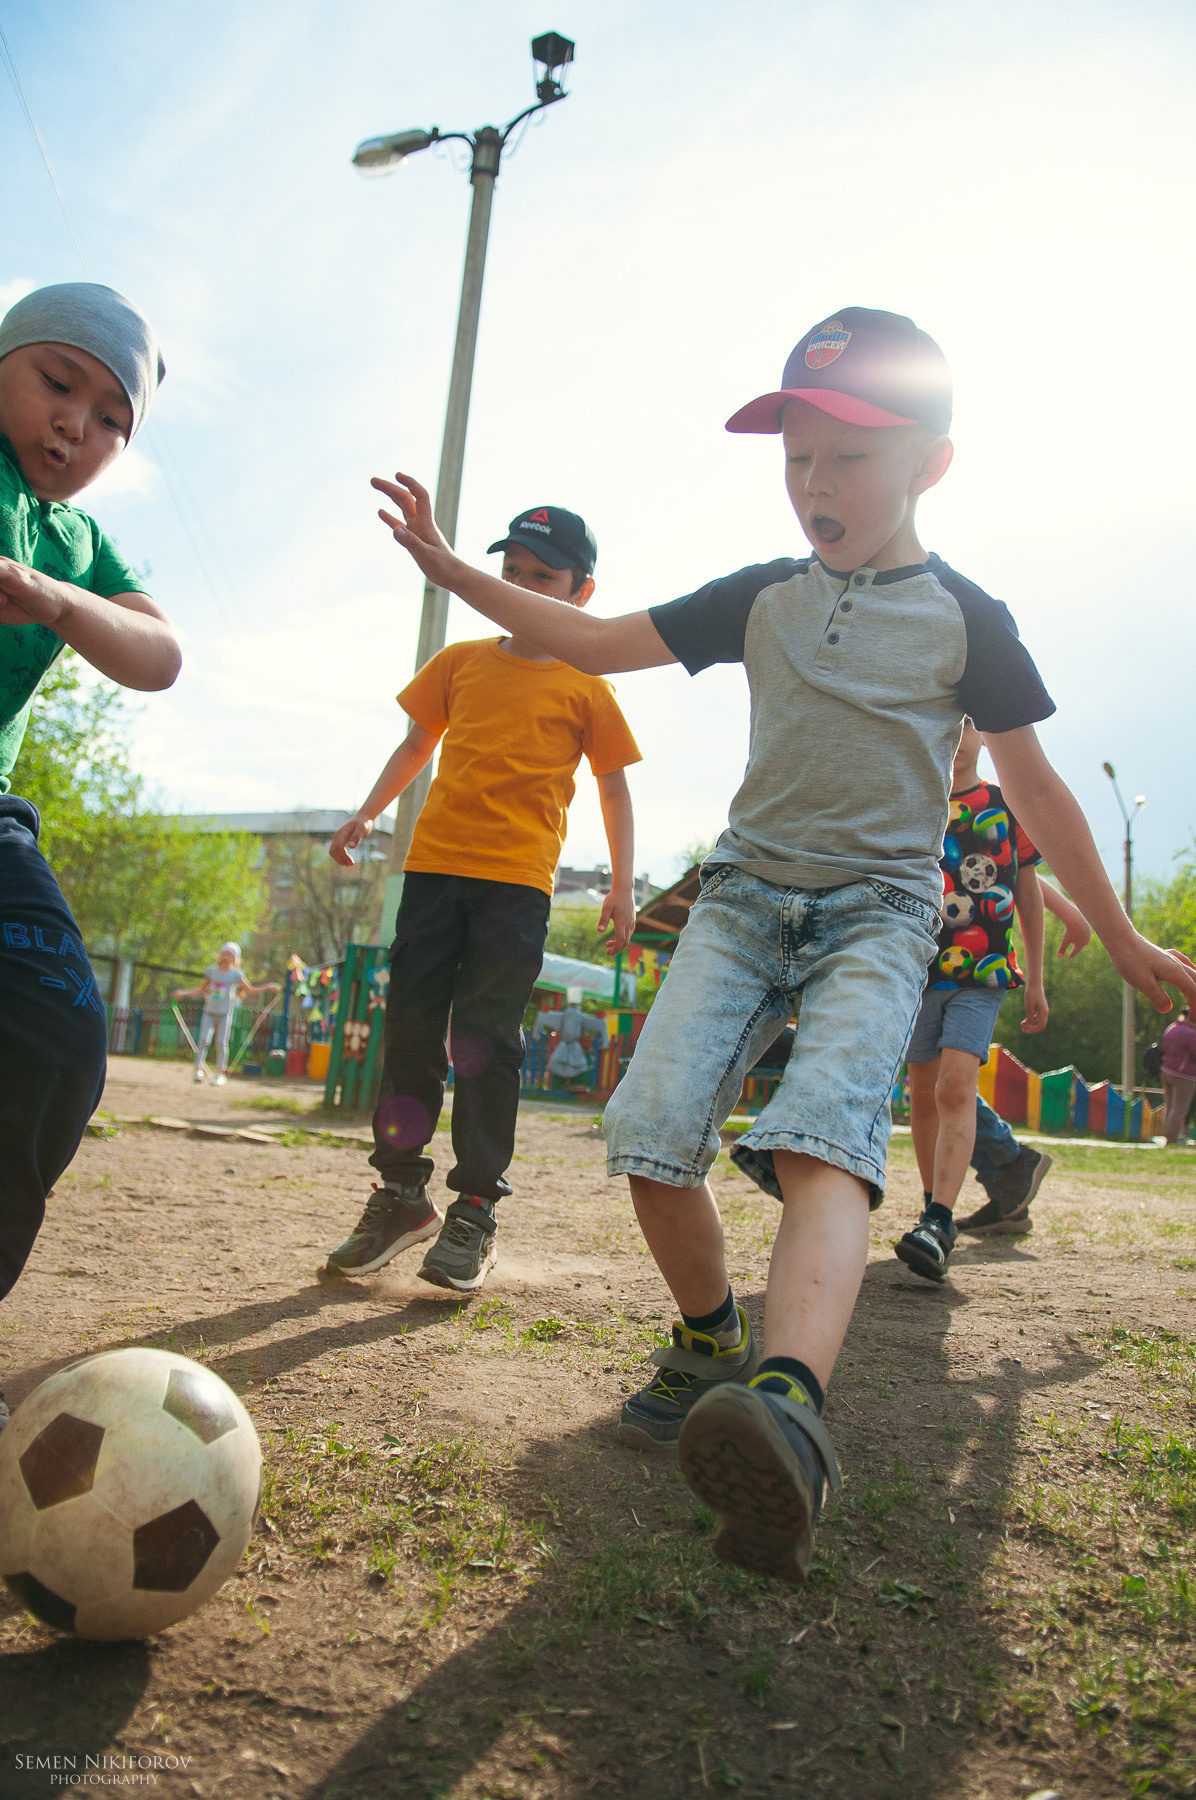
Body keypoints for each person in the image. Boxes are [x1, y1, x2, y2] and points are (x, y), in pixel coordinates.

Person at [364, 306, 1196, 1582]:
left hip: (879, 912)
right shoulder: (757, 596)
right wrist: (445, 566)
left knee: (820, 1144)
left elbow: (1032, 784)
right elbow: (591, 641)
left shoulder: (966, 618)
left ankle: (787, 1410)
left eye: (848, 456)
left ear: (929, 462)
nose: (815, 482)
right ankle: (709, 1339)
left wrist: (1123, 930)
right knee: (648, 1133)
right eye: (797, 456)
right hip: (744, 899)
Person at [323, 506, 641, 1292]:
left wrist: (621, 884)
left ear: (581, 591)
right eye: (512, 575)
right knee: (411, 1030)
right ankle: (402, 1194)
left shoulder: (588, 686)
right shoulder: (460, 663)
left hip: (516, 886)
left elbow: (614, 789)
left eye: (543, 578)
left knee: (485, 1040)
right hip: (433, 872)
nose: (522, 588)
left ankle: (474, 1209)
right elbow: (416, 744)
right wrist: (368, 811)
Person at [0, 283, 181, 1427]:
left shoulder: (75, 541)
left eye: (113, 418)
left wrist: (54, 599)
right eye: (56, 382)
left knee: (58, 1034)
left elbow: (159, 655)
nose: (78, 425)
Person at [896, 718, 1048, 1276]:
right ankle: (930, 1212)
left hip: (983, 973)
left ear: (984, 735)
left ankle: (941, 1216)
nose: (958, 736)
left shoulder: (1007, 806)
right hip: (918, 972)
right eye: (949, 723)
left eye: (968, 725)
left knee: (956, 1086)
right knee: (923, 1093)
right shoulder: (918, 803)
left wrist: (1036, 979)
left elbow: (1029, 889)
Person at [961, 878, 1090, 1227]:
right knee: (937, 1088)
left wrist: (1069, 913)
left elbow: (1015, 867)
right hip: (935, 961)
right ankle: (1007, 1193)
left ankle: (1012, 1162)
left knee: (946, 1085)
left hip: (972, 965)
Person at [173, 944, 279, 1085]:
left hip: (225, 1013)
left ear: (235, 958)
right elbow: (201, 989)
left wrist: (267, 987)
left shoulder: (235, 975)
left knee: (221, 1042)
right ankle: (198, 1070)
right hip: (209, 1012)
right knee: (203, 1040)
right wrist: (183, 993)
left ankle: (220, 1073)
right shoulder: (212, 972)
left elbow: (250, 989)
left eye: (230, 955)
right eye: (224, 954)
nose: (226, 957)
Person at [1160, 1007, 1196, 1145]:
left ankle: (1167, 1135)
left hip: (1166, 1070)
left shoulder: (1171, 1028)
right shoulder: (1190, 1033)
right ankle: (1171, 1138)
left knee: (1169, 1106)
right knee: (1179, 1109)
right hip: (1184, 1075)